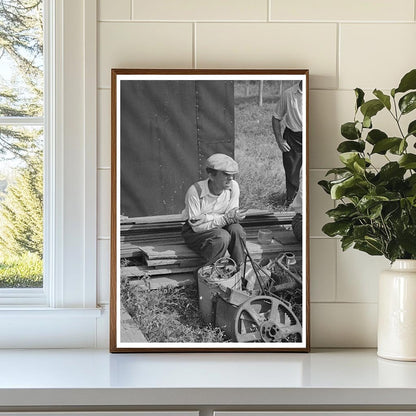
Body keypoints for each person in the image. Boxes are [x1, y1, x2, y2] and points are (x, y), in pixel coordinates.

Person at [181, 153, 247, 267]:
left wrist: (208, 217)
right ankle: (206, 274)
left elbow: (231, 217)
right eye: (226, 174)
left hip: (218, 226)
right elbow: (197, 227)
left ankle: (239, 268)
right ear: (211, 176)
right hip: (195, 232)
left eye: (232, 175)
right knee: (222, 237)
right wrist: (225, 219)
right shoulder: (195, 191)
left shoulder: (233, 187)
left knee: (237, 230)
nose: (230, 178)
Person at [272, 81, 303, 205]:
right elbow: (276, 117)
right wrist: (280, 140)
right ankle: (291, 202)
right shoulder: (289, 94)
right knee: (292, 172)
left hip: (313, 135)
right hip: (293, 136)